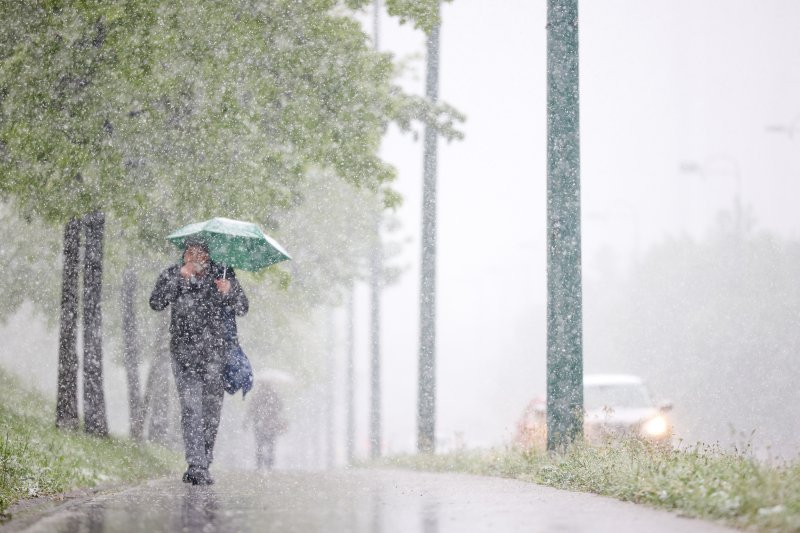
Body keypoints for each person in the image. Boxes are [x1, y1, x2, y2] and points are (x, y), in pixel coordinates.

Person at [150, 238, 248, 485]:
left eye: (200, 254)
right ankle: (196, 464)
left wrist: (231, 290)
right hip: (184, 354)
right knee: (191, 407)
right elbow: (156, 302)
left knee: (211, 412)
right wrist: (178, 278)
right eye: (190, 254)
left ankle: (205, 458)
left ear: (208, 257)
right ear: (184, 256)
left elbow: (243, 307)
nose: (195, 259)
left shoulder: (223, 274)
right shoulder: (174, 274)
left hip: (216, 355)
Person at [245, 381, 286, 470]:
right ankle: (269, 463)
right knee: (270, 444)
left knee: (260, 444)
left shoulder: (257, 395)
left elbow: (251, 408)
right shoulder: (274, 394)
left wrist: (247, 421)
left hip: (260, 422)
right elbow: (280, 407)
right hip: (270, 422)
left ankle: (260, 463)